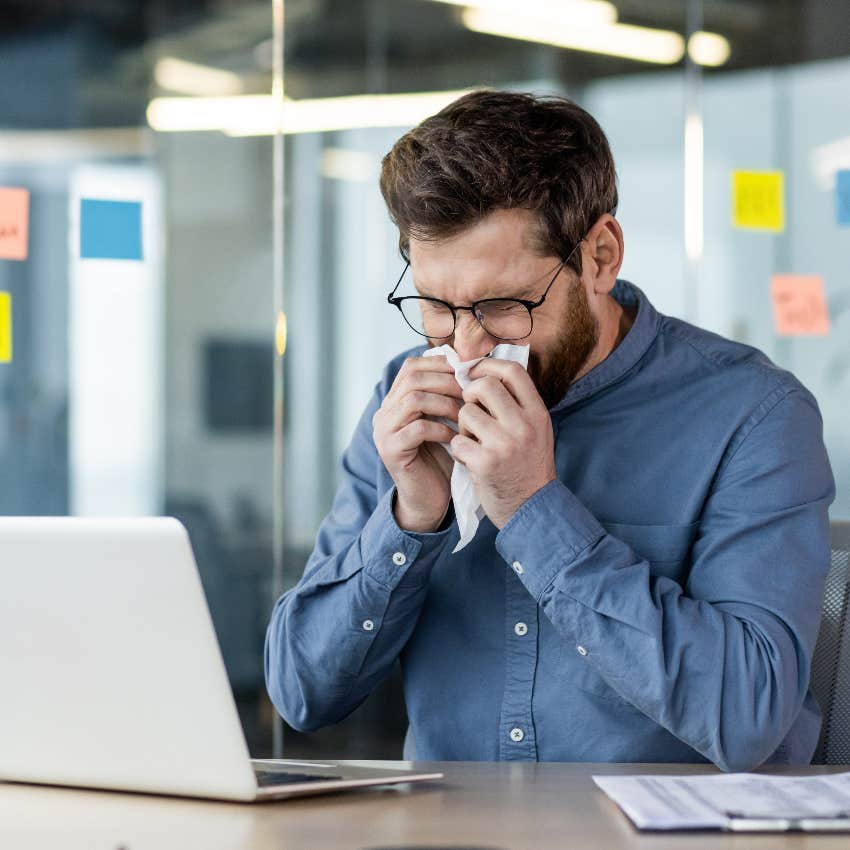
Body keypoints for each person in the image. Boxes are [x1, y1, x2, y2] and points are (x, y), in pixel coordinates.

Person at [265, 90, 835, 771]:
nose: (468, 347)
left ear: (600, 256)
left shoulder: (754, 416)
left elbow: (749, 719)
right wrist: (410, 518)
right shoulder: (406, 401)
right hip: (452, 833)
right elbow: (301, 694)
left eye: (503, 305)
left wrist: (535, 510)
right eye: (435, 307)